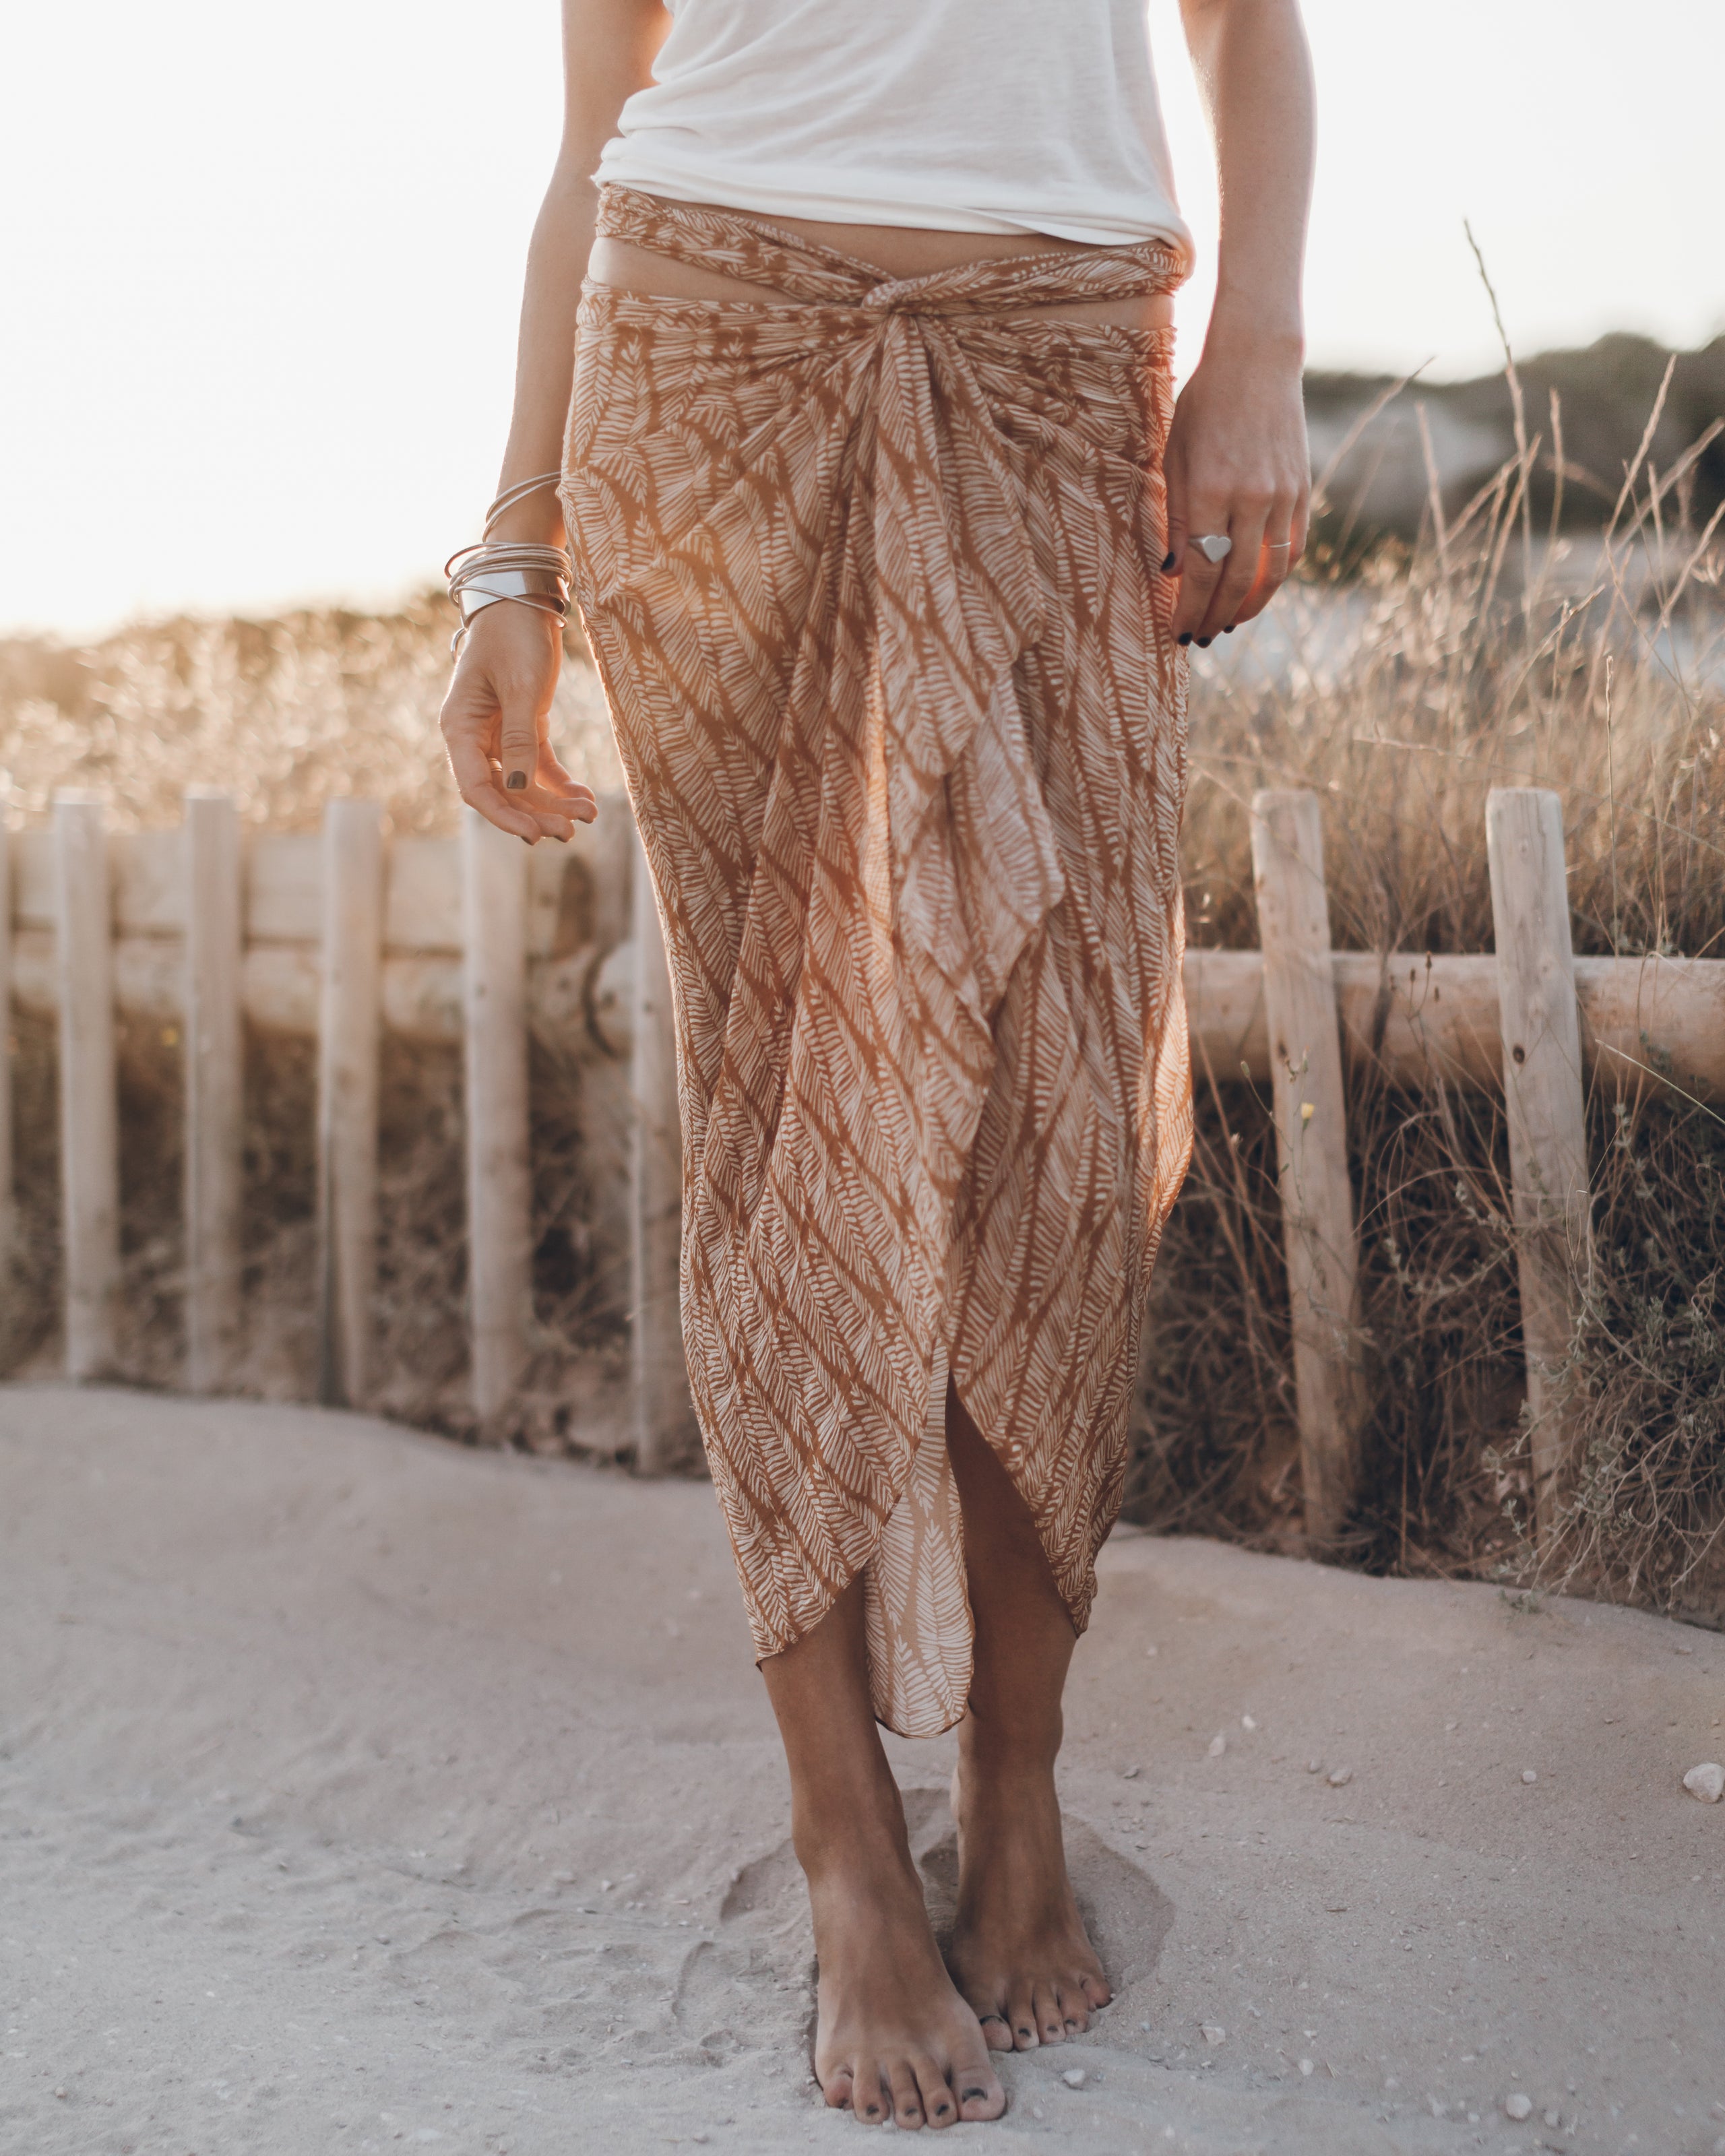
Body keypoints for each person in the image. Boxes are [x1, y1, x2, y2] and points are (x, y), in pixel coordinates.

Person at [441, 0, 1313, 2128]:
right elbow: (593, 132)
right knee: (785, 1111)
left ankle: (1014, 1796)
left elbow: (1252, 28)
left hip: (1055, 355)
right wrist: (513, 556)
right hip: (710, 354)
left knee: (1061, 1139)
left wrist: (1261, 346)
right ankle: (847, 1840)